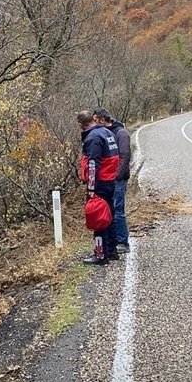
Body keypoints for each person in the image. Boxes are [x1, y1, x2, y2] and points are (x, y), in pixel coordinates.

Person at [77, 109, 120, 265]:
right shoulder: (108, 133)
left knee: (98, 218)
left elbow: (93, 164)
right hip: (110, 181)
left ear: (82, 125)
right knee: (110, 215)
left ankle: (100, 255)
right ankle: (112, 250)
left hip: (100, 183)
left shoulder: (93, 138)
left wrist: (91, 188)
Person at [95, 108, 131, 254]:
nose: (95, 124)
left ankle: (123, 241)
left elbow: (125, 156)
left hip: (118, 179)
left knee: (118, 210)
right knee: (112, 210)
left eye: (96, 121)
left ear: (103, 120)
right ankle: (115, 241)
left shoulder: (120, 133)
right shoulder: (107, 133)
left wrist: (116, 176)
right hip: (110, 179)